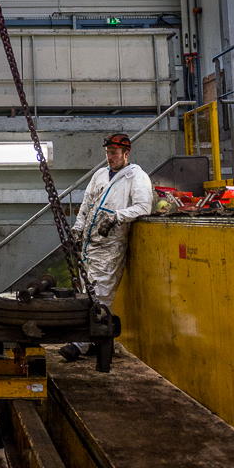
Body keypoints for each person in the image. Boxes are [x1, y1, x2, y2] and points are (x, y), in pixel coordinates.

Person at [59, 133, 153, 362]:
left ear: (126, 153)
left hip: (111, 247)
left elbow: (143, 207)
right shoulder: (100, 175)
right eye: (108, 152)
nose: (109, 157)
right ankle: (98, 341)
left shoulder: (136, 177)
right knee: (86, 293)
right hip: (90, 247)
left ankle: (79, 344)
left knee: (99, 295)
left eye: (114, 153)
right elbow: (86, 205)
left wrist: (117, 217)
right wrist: (77, 231)